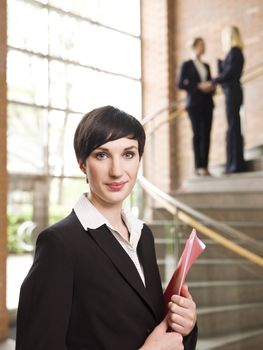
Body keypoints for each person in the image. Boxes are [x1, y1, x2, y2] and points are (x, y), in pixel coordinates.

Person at [16, 106, 198, 350]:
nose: (117, 171)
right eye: (102, 155)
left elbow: (149, 326)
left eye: (128, 154)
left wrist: (183, 326)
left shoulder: (143, 235)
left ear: (139, 160)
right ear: (82, 164)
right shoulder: (59, 244)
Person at [204, 26, 245, 173]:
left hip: (233, 92)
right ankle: (233, 163)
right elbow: (227, 73)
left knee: (233, 127)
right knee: (233, 127)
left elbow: (229, 74)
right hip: (231, 92)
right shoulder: (234, 53)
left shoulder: (235, 52)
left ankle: (235, 164)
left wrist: (213, 81)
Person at [177, 37, 215, 176]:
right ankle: (198, 166)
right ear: (194, 47)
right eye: (201, 45)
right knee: (197, 134)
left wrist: (211, 87)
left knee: (207, 134)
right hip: (194, 104)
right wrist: (198, 86)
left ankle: (205, 166)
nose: (203, 47)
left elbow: (212, 84)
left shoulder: (207, 66)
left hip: (208, 103)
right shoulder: (186, 64)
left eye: (204, 45)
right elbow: (180, 84)